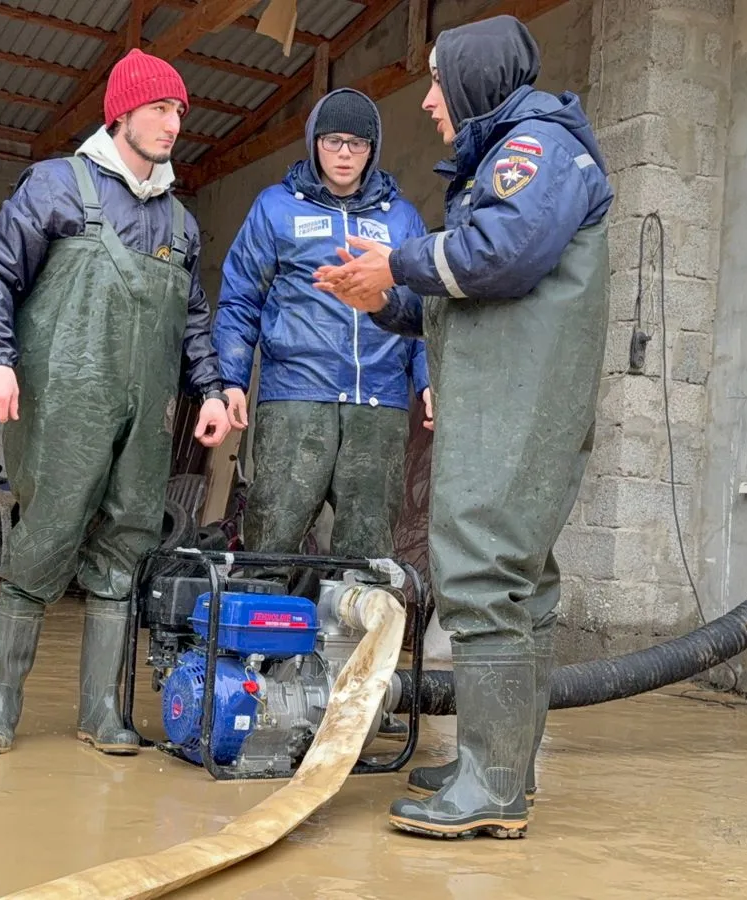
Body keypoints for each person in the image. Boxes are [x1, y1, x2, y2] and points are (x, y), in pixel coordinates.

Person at [314, 15, 613, 840]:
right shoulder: (507, 157)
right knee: (519, 580)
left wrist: (399, 262)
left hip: (517, 405)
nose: (431, 103)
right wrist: (387, 301)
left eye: (441, 82)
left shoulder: (536, 148)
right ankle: (499, 764)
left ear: (479, 80)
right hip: (509, 399)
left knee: (483, 574)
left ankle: (492, 787)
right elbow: (474, 288)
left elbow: (503, 252)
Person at [0, 49, 232, 757]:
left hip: (146, 416)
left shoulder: (180, 221)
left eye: (178, 111)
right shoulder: (56, 186)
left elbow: (194, 316)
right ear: (121, 112)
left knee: (127, 546)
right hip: (63, 405)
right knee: (44, 537)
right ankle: (1, 709)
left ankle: (103, 712)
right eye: (158, 109)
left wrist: (207, 388)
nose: (173, 123)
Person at [213, 87, 432, 570]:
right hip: (295, 396)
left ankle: (354, 646)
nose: (345, 154)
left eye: (358, 144)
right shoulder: (275, 208)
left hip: (379, 403)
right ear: (314, 141)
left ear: (373, 149)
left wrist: (428, 378)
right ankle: (262, 646)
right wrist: (229, 380)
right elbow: (240, 297)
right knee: (272, 542)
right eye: (334, 141)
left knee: (369, 558)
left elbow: (422, 307)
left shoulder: (401, 218)